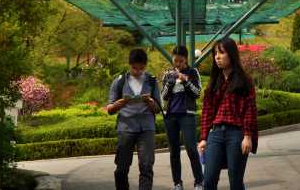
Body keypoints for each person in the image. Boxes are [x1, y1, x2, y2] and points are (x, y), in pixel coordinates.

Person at [197, 38, 257, 190]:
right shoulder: (214, 81)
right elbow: (207, 111)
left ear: (231, 54)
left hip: (236, 134)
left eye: (221, 53)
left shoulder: (244, 80)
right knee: (209, 179)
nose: (217, 57)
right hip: (215, 133)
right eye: (215, 53)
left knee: (235, 181)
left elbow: (250, 109)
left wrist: (247, 136)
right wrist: (204, 138)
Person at [107, 48, 163, 190]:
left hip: (146, 128)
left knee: (146, 166)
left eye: (141, 68)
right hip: (126, 127)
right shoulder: (119, 82)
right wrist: (117, 105)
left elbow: (158, 109)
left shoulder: (151, 81)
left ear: (145, 66)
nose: (138, 71)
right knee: (121, 167)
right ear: (129, 65)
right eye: (134, 68)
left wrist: (150, 102)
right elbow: (109, 109)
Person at [161, 46, 204, 190]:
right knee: (174, 151)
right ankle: (177, 183)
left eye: (180, 61)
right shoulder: (168, 73)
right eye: (175, 61)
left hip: (187, 115)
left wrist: (185, 81)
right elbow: (163, 96)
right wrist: (170, 81)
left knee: (191, 148)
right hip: (171, 116)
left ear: (186, 59)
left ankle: (199, 182)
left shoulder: (193, 72)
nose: (177, 64)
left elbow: (197, 93)